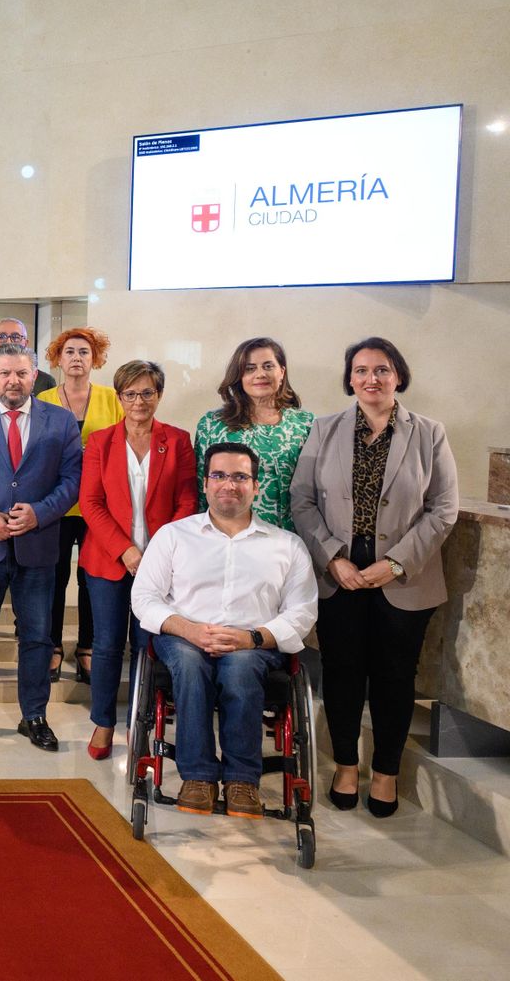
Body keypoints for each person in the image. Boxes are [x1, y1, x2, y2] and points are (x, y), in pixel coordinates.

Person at [291, 338, 458, 818]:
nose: (371, 379)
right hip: (339, 571)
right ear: (349, 379)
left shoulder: (429, 432)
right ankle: (346, 765)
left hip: (405, 575)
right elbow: (302, 500)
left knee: (393, 678)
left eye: (381, 370)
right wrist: (332, 559)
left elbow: (443, 509)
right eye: (361, 370)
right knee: (342, 674)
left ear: (398, 377)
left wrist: (397, 562)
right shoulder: (324, 430)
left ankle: (385, 773)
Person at [131, 443, 317, 819]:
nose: (228, 485)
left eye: (239, 476)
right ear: (205, 483)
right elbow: (145, 598)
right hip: (183, 638)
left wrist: (252, 638)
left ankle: (241, 781)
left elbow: (302, 611)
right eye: (219, 475)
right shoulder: (174, 536)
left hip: (256, 644)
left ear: (256, 486)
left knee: (240, 667)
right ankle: (198, 777)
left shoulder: (287, 545)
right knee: (188, 661)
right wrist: (189, 629)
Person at [0, 343, 82, 752]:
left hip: (37, 547)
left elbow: (72, 479)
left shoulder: (60, 421)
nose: (13, 381)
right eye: (5, 373)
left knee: (38, 637)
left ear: (35, 376)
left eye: (22, 373)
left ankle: (34, 715)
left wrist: (40, 513)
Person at [78, 360, 197, 760]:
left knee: (148, 645)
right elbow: (91, 504)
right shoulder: (100, 442)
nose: (139, 401)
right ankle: (103, 723)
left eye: (147, 392)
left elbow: (187, 501)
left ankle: (141, 722)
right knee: (108, 645)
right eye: (130, 393)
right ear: (119, 398)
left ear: (159, 395)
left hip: (162, 566)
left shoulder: (178, 441)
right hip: (109, 561)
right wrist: (126, 550)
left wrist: (158, 554)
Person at [37, 327, 123, 684]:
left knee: (92, 579)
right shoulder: (42, 397)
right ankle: (52, 646)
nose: (76, 358)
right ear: (58, 358)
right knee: (54, 578)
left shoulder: (112, 398)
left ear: (95, 359)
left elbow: (119, 446)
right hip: (56, 502)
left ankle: (86, 646)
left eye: (84, 352)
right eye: (69, 351)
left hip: (98, 506)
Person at [193, 337, 313, 530]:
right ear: (239, 376)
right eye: (250, 368)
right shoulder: (212, 424)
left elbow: (314, 488)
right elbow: (201, 487)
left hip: (294, 536)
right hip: (228, 534)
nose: (260, 374)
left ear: (281, 372)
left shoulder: (305, 423)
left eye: (268, 366)